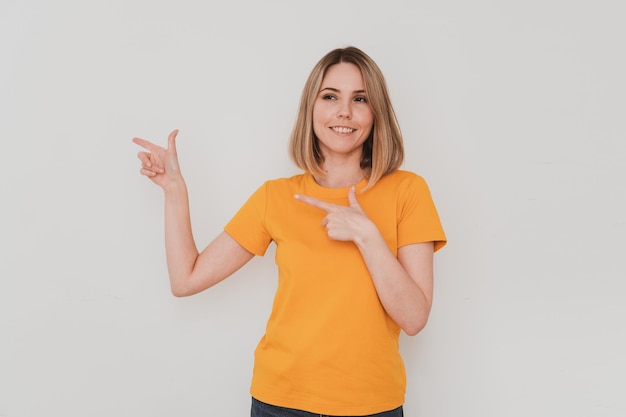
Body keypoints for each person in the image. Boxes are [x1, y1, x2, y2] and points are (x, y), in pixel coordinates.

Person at [133, 46, 446, 417]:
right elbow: (185, 279)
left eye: (359, 99)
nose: (344, 111)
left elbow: (414, 318)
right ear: (311, 109)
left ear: (375, 112)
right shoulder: (276, 197)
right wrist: (174, 191)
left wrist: (367, 235)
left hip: (372, 405)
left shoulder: (407, 191)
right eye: (330, 96)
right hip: (280, 403)